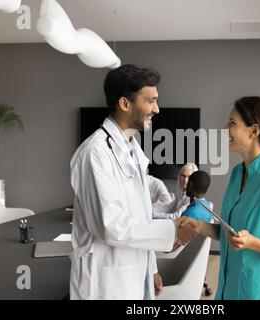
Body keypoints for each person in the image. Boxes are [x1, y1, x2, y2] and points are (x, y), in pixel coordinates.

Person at [69, 64, 196, 300]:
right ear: (125, 104)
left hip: (135, 272)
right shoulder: (95, 153)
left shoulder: (132, 149)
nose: (157, 109)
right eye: (150, 101)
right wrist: (172, 232)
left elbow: (141, 216)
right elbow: (110, 225)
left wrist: (153, 269)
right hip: (106, 282)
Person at [181, 96, 260, 300]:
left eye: (232, 123)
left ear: (254, 131)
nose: (224, 129)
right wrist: (198, 226)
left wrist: (253, 243)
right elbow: (233, 233)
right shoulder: (237, 174)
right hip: (228, 290)